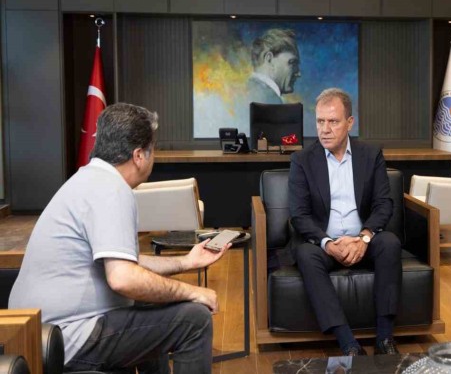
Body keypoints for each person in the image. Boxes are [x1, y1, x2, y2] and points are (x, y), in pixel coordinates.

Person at [9, 103, 230, 374]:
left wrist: (186, 262)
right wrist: (193, 291)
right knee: (194, 321)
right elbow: (123, 278)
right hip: (65, 337)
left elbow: (125, 263)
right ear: (139, 156)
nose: (153, 157)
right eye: (153, 149)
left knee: (155, 306)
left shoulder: (89, 179)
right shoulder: (112, 190)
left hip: (38, 331)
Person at [288, 88, 401, 356]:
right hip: (325, 244)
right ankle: (348, 344)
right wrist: (328, 243)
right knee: (305, 254)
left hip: (363, 240)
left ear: (350, 122)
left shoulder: (370, 155)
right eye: (320, 121)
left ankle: (385, 339)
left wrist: (364, 237)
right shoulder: (302, 160)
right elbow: (299, 214)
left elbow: (384, 204)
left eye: (333, 121)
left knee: (390, 243)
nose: (325, 129)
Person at [248, 28, 301, 104]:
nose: (298, 73)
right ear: (269, 59)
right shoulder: (270, 100)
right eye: (292, 63)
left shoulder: (244, 92)